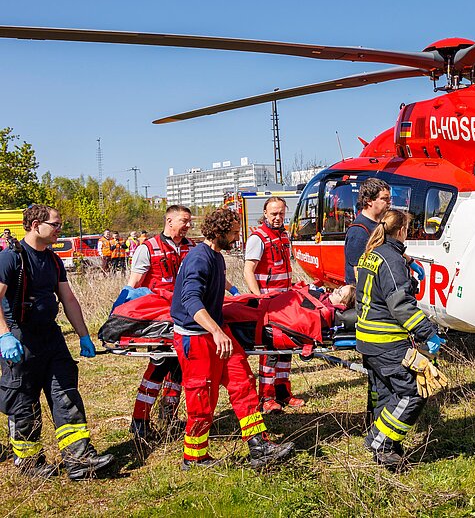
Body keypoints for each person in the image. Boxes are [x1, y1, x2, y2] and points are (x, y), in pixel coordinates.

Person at [171, 207, 293, 470]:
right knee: (201, 396)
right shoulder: (199, 259)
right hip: (197, 337)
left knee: (243, 383)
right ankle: (194, 458)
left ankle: (259, 446)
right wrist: (215, 331)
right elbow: (190, 299)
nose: (238, 238)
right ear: (219, 232)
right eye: (235, 233)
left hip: (217, 331)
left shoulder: (216, 256)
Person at [0, 205, 114, 479]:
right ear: (36, 224)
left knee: (66, 396)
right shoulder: (10, 258)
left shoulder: (53, 260)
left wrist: (84, 334)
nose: (59, 230)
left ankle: (79, 460)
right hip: (20, 341)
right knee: (23, 403)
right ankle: (29, 464)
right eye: (56, 225)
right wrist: (4, 335)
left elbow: (69, 299)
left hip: (51, 339)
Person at [355, 209, 443, 470]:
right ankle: (380, 443)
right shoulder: (391, 260)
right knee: (412, 393)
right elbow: (401, 304)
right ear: (402, 230)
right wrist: (428, 332)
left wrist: (406, 262)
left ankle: (387, 447)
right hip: (387, 342)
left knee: (386, 394)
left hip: (368, 340)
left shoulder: (374, 254)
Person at [126, 205, 195, 444]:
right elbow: (134, 283)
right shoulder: (149, 248)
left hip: (184, 317)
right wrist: (124, 312)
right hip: (158, 319)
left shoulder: (191, 247)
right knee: (158, 367)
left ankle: (169, 413)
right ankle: (140, 421)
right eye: (184, 221)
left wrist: (230, 290)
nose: (188, 226)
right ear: (169, 220)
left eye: (189, 222)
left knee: (179, 368)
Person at [242, 196, 304, 413]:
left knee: (287, 347)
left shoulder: (283, 235)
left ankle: (283, 392)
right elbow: (248, 270)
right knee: (269, 350)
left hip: (285, 301)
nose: (278, 218)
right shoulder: (258, 238)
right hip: (269, 304)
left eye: (281, 213)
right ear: (265, 214)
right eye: (274, 214)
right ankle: (266, 397)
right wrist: (259, 297)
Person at [344, 178, 391, 286]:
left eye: (389, 199)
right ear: (369, 200)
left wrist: (410, 261)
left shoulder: (380, 224)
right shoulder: (358, 232)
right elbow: (358, 272)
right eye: (384, 199)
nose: (389, 202)